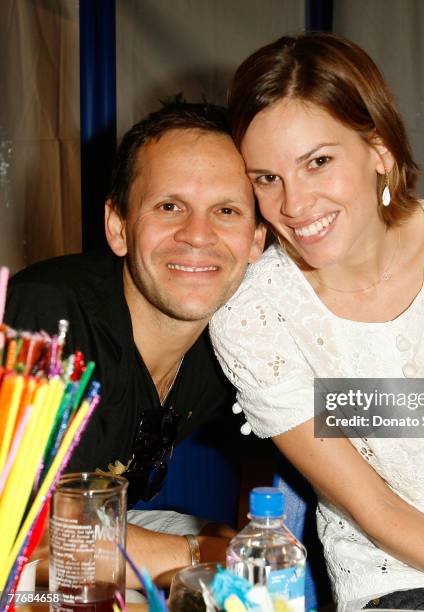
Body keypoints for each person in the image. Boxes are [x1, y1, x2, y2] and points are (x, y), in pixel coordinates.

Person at [210, 33, 424, 610]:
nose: (294, 205)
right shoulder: (255, 315)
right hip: (397, 578)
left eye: (318, 162)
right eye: (266, 178)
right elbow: (378, 510)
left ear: (379, 149)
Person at [5, 99, 265, 585]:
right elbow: (26, 535)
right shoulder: (47, 316)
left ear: (256, 240)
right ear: (118, 226)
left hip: (90, 534)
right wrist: (201, 555)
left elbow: (338, 410)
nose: (197, 235)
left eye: (226, 211)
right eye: (170, 206)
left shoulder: (236, 337)